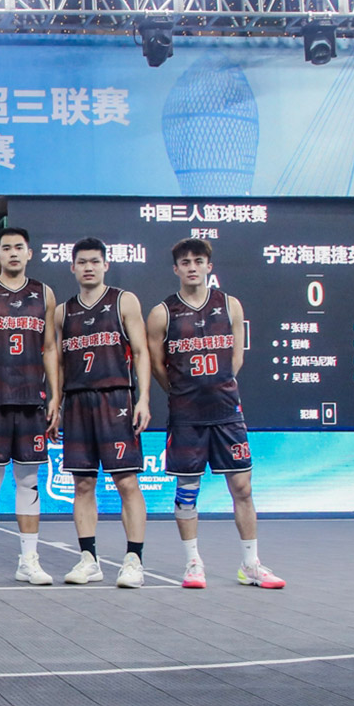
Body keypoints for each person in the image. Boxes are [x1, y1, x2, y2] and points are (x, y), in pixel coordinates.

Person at [146, 238, 285, 590]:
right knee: (187, 490)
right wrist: (181, 391)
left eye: (198, 261)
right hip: (187, 416)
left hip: (226, 413)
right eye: (185, 262)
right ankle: (193, 563)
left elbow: (236, 357)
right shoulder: (163, 312)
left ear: (209, 266)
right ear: (176, 269)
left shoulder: (230, 305)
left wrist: (219, 385)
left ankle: (250, 564)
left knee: (242, 488)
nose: (192, 267)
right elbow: (157, 365)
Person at [0, 227, 59, 586]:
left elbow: (50, 348)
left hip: (31, 400)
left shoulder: (44, 293)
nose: (13, 253)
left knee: (29, 481)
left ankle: (28, 561)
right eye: (6, 248)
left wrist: (55, 395)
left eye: (19, 247)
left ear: (29, 253)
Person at [55, 237, 151, 589]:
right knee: (82, 484)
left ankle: (134, 560)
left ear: (106, 265)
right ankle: (88, 559)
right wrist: (56, 403)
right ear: (73, 267)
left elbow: (140, 352)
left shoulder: (124, 301)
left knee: (126, 482)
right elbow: (58, 363)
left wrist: (143, 399)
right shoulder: (63, 312)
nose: (89, 267)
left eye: (95, 261)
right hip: (77, 401)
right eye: (82, 262)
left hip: (116, 399)